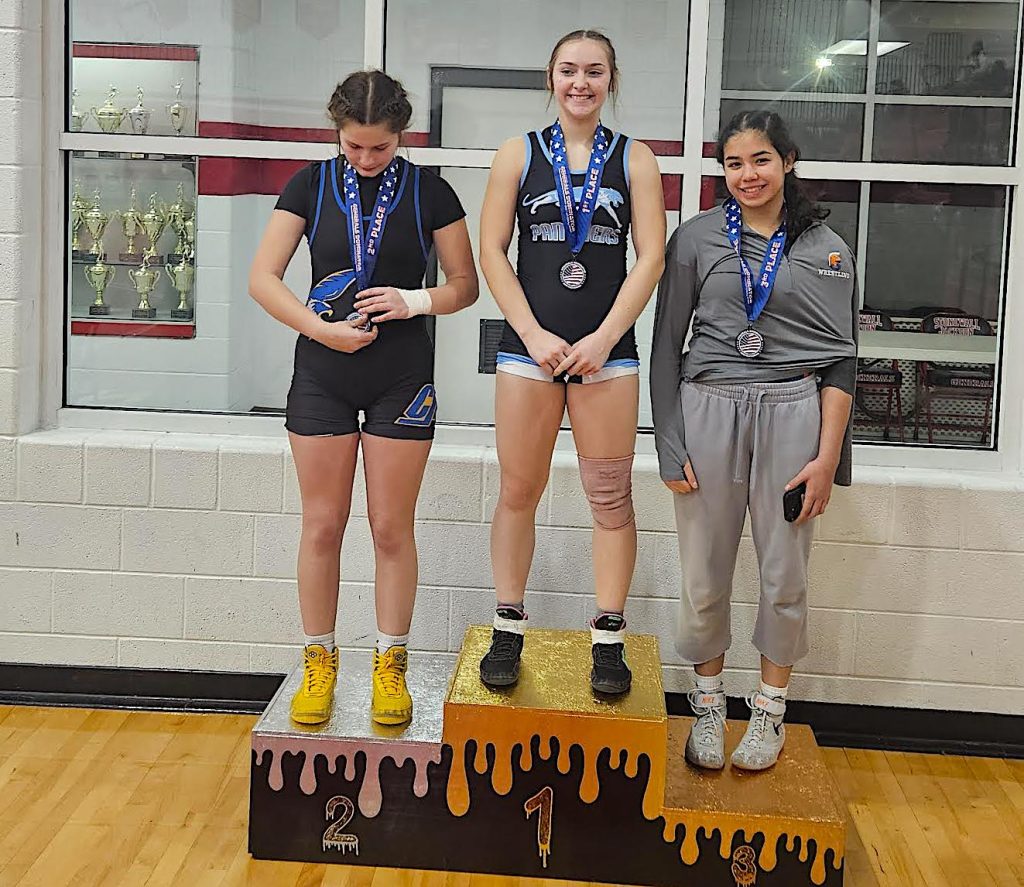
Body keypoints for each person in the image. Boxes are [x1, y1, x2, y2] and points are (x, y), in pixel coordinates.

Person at [249, 70, 478, 726]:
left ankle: (390, 661)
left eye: (378, 148)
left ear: (400, 136)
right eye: (353, 146)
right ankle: (319, 658)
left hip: (401, 374)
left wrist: (415, 300)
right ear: (337, 133)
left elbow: (466, 285)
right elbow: (263, 278)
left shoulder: (430, 192)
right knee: (322, 523)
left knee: (388, 527)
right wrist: (320, 328)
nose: (365, 159)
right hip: (324, 370)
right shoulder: (310, 184)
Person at [650, 110, 857, 770]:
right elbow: (663, 349)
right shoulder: (695, 239)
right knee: (704, 574)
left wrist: (827, 459)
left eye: (761, 160)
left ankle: (769, 711)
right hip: (708, 406)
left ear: (788, 161)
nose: (748, 175)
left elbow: (842, 361)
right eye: (734, 163)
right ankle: (708, 706)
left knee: (784, 573)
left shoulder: (826, 246)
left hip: (794, 410)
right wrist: (667, 439)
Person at [477, 29, 666, 694]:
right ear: (550, 78)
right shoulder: (517, 155)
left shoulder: (636, 160)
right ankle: (508, 624)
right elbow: (493, 251)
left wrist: (605, 336)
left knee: (610, 498)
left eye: (593, 71)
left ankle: (608, 638)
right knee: (517, 491)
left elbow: (650, 258)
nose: (580, 83)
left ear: (611, 79)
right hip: (529, 353)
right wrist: (530, 332)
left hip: (606, 356)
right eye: (568, 70)